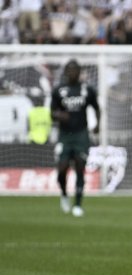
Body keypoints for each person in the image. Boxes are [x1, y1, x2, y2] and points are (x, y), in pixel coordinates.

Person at [51, 59, 101, 217]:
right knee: (62, 169)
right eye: (70, 70)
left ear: (80, 72)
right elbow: (51, 112)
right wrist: (59, 115)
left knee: (80, 167)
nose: (73, 73)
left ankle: (78, 204)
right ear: (65, 72)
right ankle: (64, 194)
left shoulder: (87, 90)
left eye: (75, 70)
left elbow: (97, 108)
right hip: (65, 136)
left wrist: (98, 124)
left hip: (81, 134)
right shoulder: (59, 91)